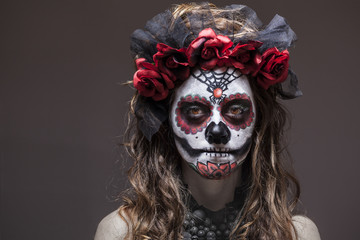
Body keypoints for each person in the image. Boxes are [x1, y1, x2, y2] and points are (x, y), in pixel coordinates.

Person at [95, 3, 321, 240]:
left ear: (259, 120)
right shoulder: (122, 233)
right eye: (194, 110)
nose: (216, 131)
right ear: (166, 120)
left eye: (235, 109)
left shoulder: (296, 234)